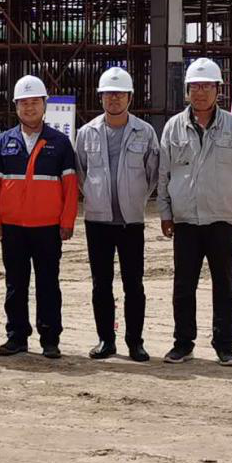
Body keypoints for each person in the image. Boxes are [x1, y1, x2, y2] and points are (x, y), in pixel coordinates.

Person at [158, 57, 232, 367]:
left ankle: (224, 345)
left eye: (206, 87)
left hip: (222, 220)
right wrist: (165, 212)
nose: (200, 92)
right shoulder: (173, 127)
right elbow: (164, 175)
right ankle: (182, 343)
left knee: (225, 287)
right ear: (187, 91)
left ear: (218, 90)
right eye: (195, 87)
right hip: (186, 220)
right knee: (183, 287)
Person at [0, 74, 78, 359]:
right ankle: (16, 336)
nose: (29, 108)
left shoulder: (60, 143)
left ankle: (50, 339)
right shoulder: (4, 141)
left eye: (34, 102)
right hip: (13, 227)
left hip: (47, 227)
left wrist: (67, 221)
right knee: (15, 284)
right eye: (23, 103)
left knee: (48, 283)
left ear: (44, 104)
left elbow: (70, 186)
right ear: (15, 107)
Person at [73, 66, 160, 362]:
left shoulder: (144, 132)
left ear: (130, 97)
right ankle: (105, 340)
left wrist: (135, 199)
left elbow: (152, 173)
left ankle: (135, 342)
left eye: (120, 94)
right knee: (101, 284)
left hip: (131, 222)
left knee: (133, 284)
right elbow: (81, 172)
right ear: (100, 97)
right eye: (109, 94)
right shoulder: (87, 133)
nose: (114, 98)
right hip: (97, 222)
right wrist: (95, 195)